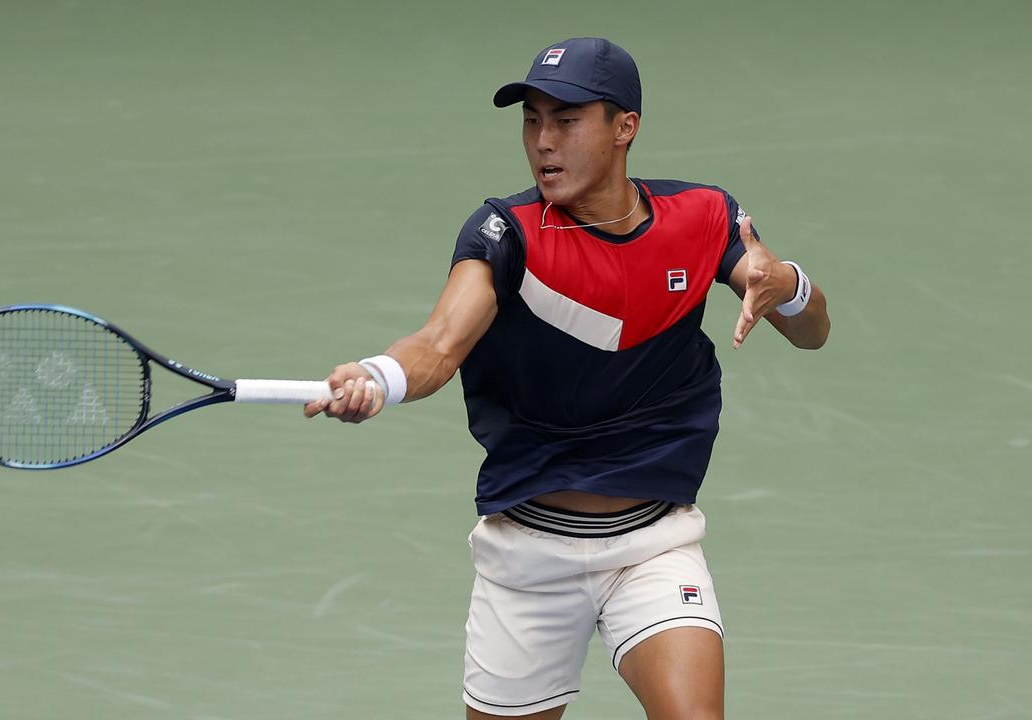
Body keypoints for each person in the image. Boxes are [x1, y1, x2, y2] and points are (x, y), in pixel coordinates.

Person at [305, 36, 830, 720]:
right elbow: (438, 344)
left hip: (653, 545)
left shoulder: (700, 217)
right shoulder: (506, 233)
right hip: (527, 559)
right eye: (532, 121)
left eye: (566, 120)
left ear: (624, 128)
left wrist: (783, 281)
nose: (543, 141)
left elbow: (813, 330)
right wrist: (379, 377)